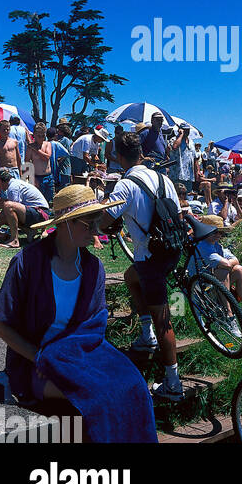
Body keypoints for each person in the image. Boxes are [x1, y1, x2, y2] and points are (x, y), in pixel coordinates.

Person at [0, 185, 157, 442]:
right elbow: (0, 325)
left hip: (78, 356)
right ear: (66, 224)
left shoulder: (92, 267)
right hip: (36, 364)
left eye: (97, 223)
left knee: (135, 386)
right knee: (96, 396)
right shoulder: (28, 262)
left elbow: (94, 326)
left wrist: (71, 357)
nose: (95, 231)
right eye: (88, 224)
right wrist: (41, 357)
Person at [99, 132, 185, 400]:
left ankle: (173, 383)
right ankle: (145, 333)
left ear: (119, 156)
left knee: (164, 321)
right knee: (130, 277)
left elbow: (103, 222)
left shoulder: (125, 185)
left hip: (150, 257)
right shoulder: (164, 179)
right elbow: (178, 216)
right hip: (171, 250)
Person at [189, 214, 242, 329]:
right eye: (215, 232)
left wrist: (229, 263)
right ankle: (228, 314)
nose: (219, 235)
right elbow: (227, 263)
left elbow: (235, 260)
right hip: (201, 290)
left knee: (239, 269)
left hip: (212, 286)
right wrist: (229, 263)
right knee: (223, 271)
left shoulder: (216, 245)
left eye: (220, 232)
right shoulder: (203, 246)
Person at [0, 168, 51, 248]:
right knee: (2, 213)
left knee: (8, 206)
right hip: (38, 213)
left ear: (0, 180)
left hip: (40, 214)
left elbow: (11, 208)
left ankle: (14, 240)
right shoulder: (14, 184)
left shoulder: (13, 187)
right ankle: (29, 231)